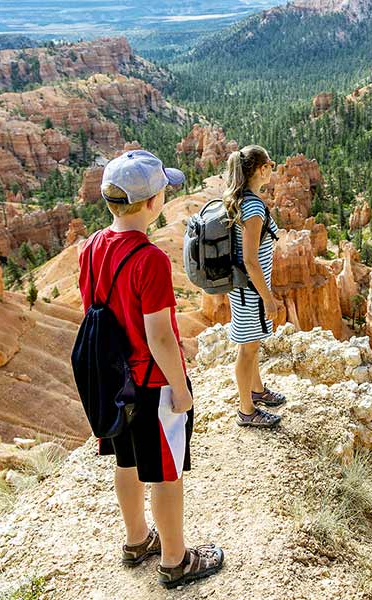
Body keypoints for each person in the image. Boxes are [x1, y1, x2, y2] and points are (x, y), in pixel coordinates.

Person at [78, 150, 223, 589]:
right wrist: (180, 388)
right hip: (150, 383)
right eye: (164, 190)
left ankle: (137, 539)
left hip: (112, 380)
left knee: (125, 462)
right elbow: (159, 335)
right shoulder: (150, 260)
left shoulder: (90, 248)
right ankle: (176, 561)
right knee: (164, 472)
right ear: (152, 202)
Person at [223, 145, 287, 429]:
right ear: (261, 169)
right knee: (247, 350)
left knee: (253, 342)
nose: (272, 169)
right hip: (251, 290)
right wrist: (268, 299)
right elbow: (250, 260)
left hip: (244, 287)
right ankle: (246, 411)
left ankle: (258, 390)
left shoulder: (243, 199)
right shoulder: (252, 207)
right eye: (270, 164)